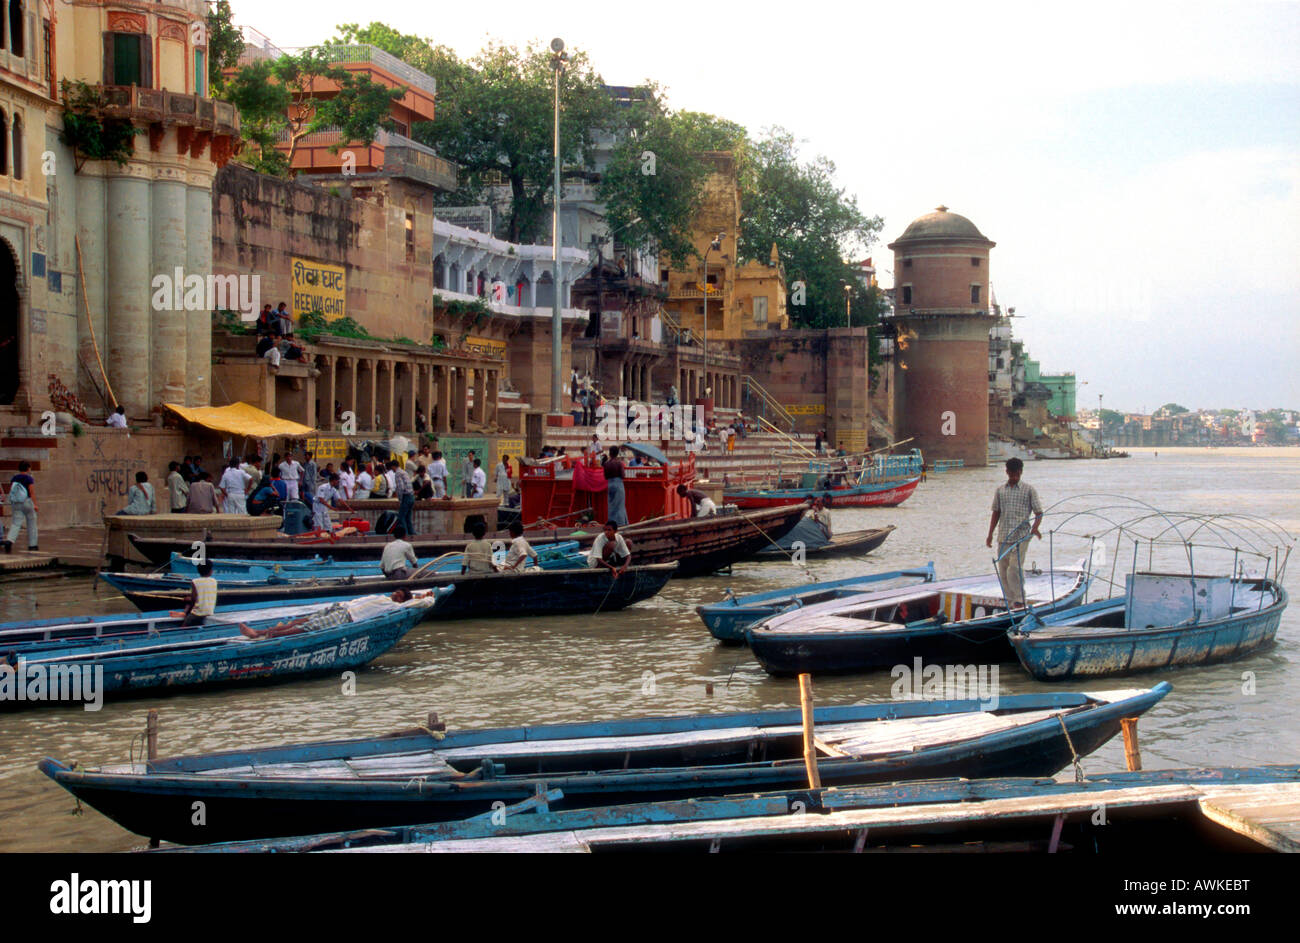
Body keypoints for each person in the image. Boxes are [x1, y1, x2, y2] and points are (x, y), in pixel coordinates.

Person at [985, 457, 1044, 608]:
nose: (1014, 476)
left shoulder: (1029, 490)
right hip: (1004, 536)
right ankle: (1009, 599)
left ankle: (1019, 599)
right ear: (1007, 472)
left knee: (1015, 568)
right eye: (1012, 474)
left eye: (1017, 473)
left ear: (1021, 472)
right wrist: (990, 534)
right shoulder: (1000, 491)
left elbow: (1039, 512)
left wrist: (1035, 528)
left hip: (1022, 536)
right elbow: (996, 513)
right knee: (1003, 569)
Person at [240, 589, 416, 639]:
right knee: (303, 620)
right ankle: (260, 632)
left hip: (348, 616)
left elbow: (417, 603)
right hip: (342, 607)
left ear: (401, 601)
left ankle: (272, 634)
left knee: (308, 627)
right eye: (396, 592)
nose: (395, 594)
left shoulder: (393, 607)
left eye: (399, 595)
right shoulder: (381, 597)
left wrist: (425, 596)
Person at [4, 460, 38, 552]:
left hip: (16, 503)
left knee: (16, 523)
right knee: (32, 522)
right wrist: (35, 504)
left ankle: (9, 541)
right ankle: (32, 544)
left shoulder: (14, 478)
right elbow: (31, 492)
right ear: (28, 468)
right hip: (27, 502)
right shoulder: (29, 478)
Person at [182, 561, 217, 627]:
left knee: (184, 625)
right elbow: (204, 595)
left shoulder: (195, 582)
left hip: (197, 614)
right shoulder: (214, 581)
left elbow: (193, 600)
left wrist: (187, 613)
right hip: (209, 612)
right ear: (211, 571)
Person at [603, 446, 628, 527]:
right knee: (620, 506)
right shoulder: (619, 463)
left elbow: (605, 477)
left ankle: (611, 524)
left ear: (610, 453)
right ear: (617, 453)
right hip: (618, 484)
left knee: (611, 506)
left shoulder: (606, 464)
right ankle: (621, 524)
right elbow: (623, 475)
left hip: (610, 484)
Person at [391, 460, 415, 535]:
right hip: (411, 496)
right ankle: (412, 533)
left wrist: (400, 499)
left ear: (393, 466)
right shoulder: (404, 472)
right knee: (407, 517)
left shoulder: (398, 473)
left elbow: (401, 487)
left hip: (406, 497)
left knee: (401, 517)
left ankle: (405, 534)